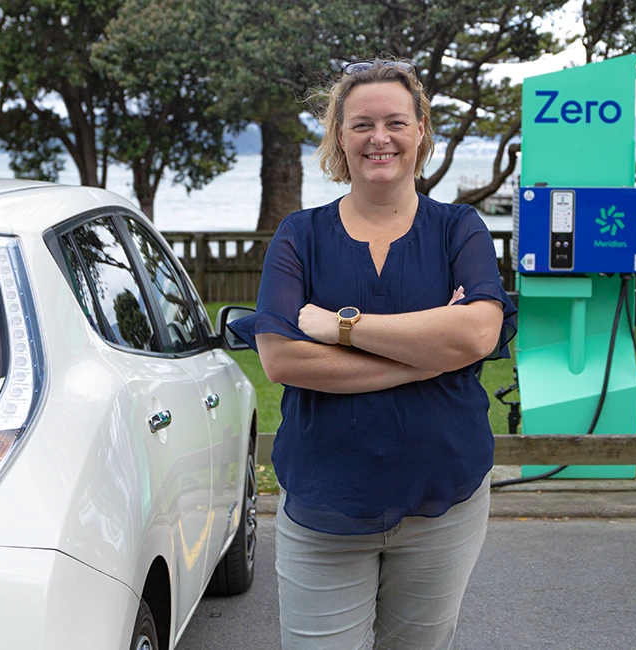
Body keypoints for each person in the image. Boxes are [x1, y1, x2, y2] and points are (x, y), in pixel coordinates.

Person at [228, 58, 517, 650]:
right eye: (361, 124)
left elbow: (479, 336)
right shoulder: (299, 236)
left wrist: (342, 328)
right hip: (326, 508)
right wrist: (434, 351)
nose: (379, 137)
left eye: (395, 122)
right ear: (339, 136)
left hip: (444, 506)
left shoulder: (459, 229)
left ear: (420, 132)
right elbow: (283, 360)